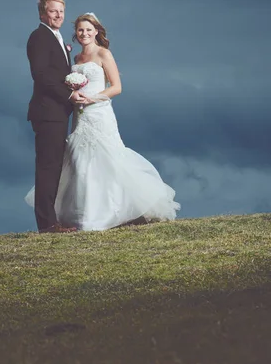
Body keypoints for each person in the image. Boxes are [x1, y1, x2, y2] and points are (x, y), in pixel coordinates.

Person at [26, 12, 180, 230]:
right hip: (79, 114)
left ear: (96, 31)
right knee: (80, 163)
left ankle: (116, 211)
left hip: (98, 112)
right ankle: (84, 214)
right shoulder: (76, 59)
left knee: (106, 157)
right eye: (80, 30)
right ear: (76, 34)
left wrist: (93, 99)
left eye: (89, 30)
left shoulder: (103, 54)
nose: (84, 33)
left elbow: (117, 87)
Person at [26, 0, 86, 233]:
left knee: (55, 167)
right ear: (43, 14)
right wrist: (69, 95)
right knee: (48, 167)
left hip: (58, 113)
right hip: (47, 112)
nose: (59, 15)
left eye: (61, 11)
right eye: (53, 11)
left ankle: (52, 219)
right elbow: (41, 75)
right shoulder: (39, 37)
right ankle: (47, 223)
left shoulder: (56, 38)